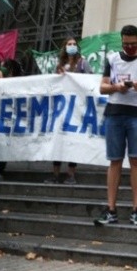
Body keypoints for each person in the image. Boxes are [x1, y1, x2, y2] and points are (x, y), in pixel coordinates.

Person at [94, 25, 137, 226]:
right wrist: (117, 87)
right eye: (126, 44)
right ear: (121, 41)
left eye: (133, 44)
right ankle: (111, 209)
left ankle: (136, 209)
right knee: (115, 161)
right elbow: (103, 86)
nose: (130, 47)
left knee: (136, 162)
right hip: (115, 113)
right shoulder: (113, 58)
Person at [47, 37, 92, 184]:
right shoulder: (60, 64)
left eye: (74, 44)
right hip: (61, 107)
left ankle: (71, 174)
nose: (72, 46)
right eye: (69, 44)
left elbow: (90, 81)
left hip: (76, 107)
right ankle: (55, 174)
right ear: (64, 47)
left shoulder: (82, 63)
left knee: (73, 140)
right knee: (58, 139)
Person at [0, 58, 24, 182]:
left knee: (4, 143)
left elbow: (8, 92)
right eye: (1, 66)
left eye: (5, 66)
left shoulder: (18, 82)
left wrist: (1, 78)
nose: (1, 68)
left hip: (9, 119)